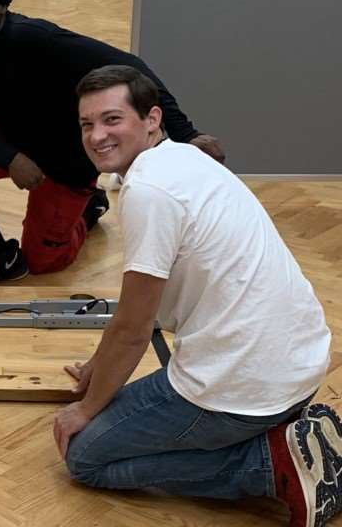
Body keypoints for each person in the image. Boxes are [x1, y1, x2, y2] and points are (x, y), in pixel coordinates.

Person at [54, 64, 339, 527]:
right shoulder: (187, 158)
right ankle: (290, 439)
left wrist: (86, 407)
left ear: (151, 119)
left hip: (243, 389)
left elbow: (134, 328)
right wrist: (96, 368)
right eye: (87, 124)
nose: (96, 136)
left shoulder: (149, 191)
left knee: (86, 457)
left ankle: (268, 466)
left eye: (111, 119)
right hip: (299, 368)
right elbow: (131, 317)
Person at [0, 0, 224, 285]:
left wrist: (186, 134)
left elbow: (133, 70)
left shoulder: (34, 38)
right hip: (13, 137)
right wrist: (10, 158)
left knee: (44, 262)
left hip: (66, 156)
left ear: (2, 6)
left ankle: (87, 209)